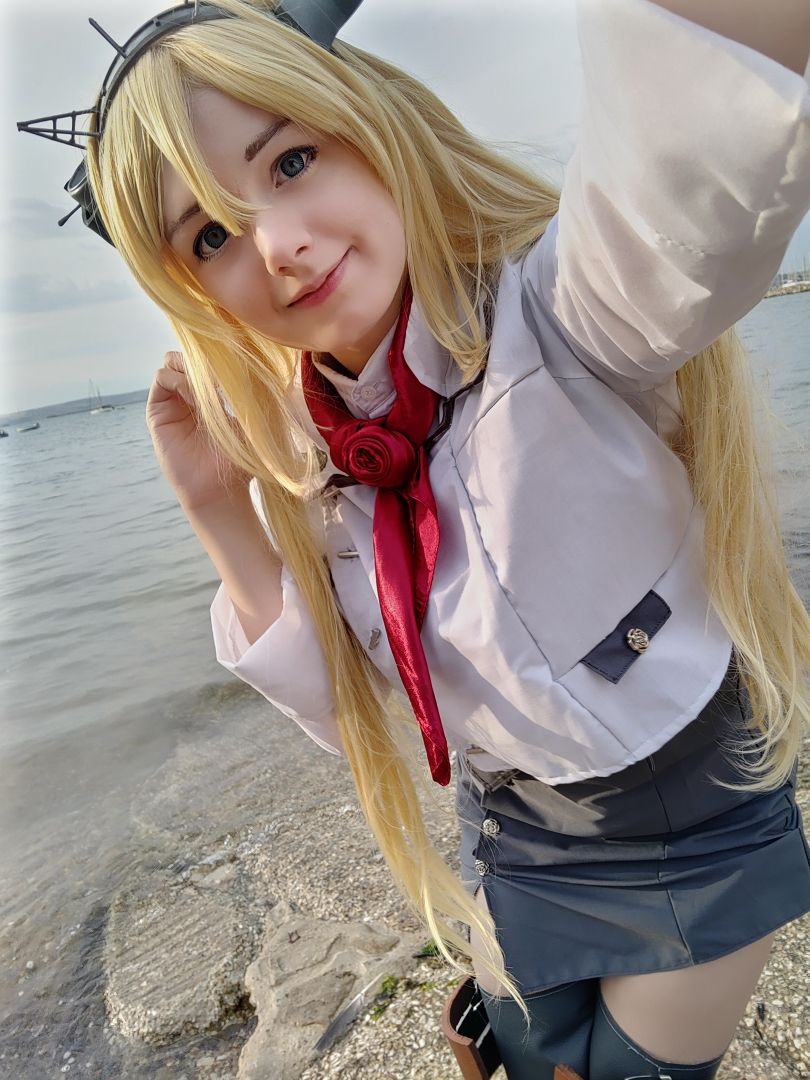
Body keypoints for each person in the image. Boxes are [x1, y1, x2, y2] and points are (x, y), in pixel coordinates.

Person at [18, 0, 810, 1076]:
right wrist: (219, 511)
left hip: (693, 815)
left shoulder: (563, 323)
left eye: (291, 160)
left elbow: (692, 164)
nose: (279, 245)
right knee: (524, 1053)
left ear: (370, 123)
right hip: (510, 838)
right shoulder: (316, 462)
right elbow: (350, 717)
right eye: (209, 235)